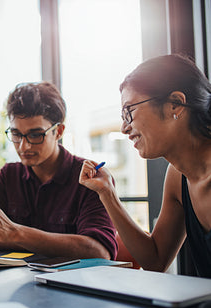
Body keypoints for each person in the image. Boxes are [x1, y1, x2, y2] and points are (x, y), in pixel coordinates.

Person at [79, 54, 211, 277]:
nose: (124, 128)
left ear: (175, 104)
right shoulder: (177, 177)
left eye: (129, 111)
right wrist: (107, 193)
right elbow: (155, 259)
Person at [0, 81, 117, 259]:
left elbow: (99, 252)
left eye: (35, 135)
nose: (24, 146)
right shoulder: (9, 175)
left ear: (59, 131)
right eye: (16, 134)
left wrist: (14, 233)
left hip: (73, 283)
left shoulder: (90, 177)